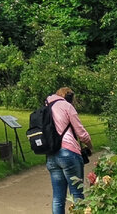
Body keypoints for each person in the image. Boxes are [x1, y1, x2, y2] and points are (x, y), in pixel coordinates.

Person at [45, 86, 92, 214]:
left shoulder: (46, 107)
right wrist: (89, 146)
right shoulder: (67, 106)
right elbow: (81, 133)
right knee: (77, 194)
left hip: (51, 154)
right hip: (68, 152)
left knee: (58, 198)